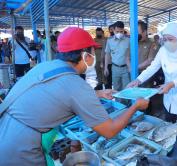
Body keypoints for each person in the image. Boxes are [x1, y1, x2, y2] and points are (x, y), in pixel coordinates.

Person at [0, 27, 149, 165]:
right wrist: (135, 106)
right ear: (85, 55)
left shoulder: (46, 66)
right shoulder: (76, 83)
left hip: (5, 129)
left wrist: (98, 93)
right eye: (92, 51)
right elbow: (110, 131)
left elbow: (60, 92)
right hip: (20, 148)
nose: (93, 56)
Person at [127, 23, 177, 129]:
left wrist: (172, 84)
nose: (167, 42)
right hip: (168, 98)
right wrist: (138, 80)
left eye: (170, 39)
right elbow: (153, 67)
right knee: (168, 129)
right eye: (165, 39)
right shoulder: (163, 51)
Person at [104, 21, 130, 91]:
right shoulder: (110, 40)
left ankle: (125, 102)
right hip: (115, 68)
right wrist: (106, 67)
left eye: (121, 31)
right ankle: (118, 102)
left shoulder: (129, 40)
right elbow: (107, 54)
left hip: (126, 68)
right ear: (113, 30)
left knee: (126, 89)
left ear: (123, 30)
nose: (119, 33)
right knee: (116, 89)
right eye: (117, 31)